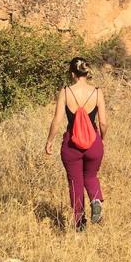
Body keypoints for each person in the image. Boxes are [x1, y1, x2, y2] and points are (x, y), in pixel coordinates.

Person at [45, 57, 108, 230]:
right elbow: (103, 122)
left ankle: (80, 223)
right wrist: (101, 139)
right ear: (87, 73)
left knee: (75, 182)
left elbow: (57, 120)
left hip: (71, 144)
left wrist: (49, 141)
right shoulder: (97, 92)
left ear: (72, 74)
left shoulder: (66, 92)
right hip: (93, 143)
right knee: (91, 176)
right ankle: (96, 200)